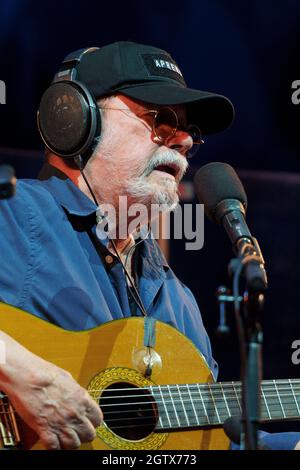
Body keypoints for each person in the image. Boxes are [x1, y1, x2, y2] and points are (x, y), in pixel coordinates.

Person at [0, 41, 298, 451]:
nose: (184, 142)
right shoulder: (13, 216)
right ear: (73, 120)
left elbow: (211, 440)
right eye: (160, 119)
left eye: (188, 130)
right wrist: (14, 368)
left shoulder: (179, 305)